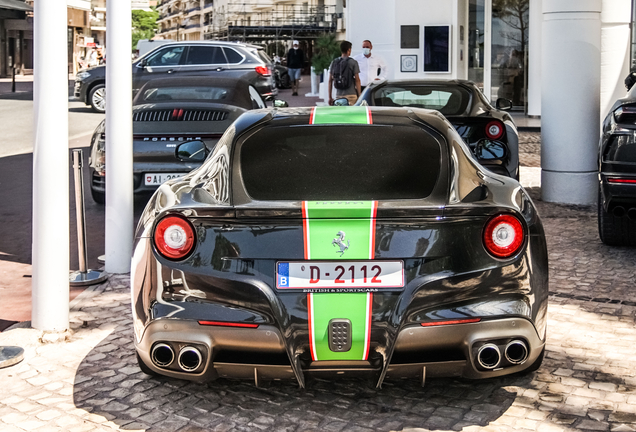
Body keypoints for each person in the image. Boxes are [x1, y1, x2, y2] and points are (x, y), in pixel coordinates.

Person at [328, 40, 361, 106]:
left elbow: (330, 81)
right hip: (351, 96)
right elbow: (357, 80)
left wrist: (330, 97)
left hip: (339, 96)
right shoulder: (353, 62)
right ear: (349, 50)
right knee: (351, 115)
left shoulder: (334, 62)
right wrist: (359, 95)